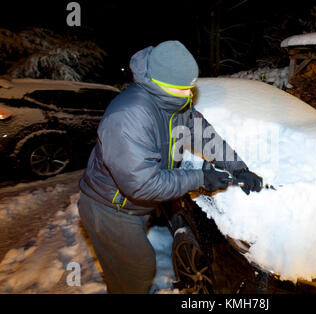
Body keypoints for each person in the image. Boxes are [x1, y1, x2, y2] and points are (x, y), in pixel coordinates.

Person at [78, 40, 262, 294]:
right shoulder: (128, 117)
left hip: (133, 205)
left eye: (190, 88)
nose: (189, 95)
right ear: (158, 82)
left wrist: (238, 167)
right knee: (137, 271)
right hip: (110, 208)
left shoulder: (174, 102)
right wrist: (200, 178)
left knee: (130, 271)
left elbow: (204, 135)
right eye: (182, 89)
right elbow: (143, 184)